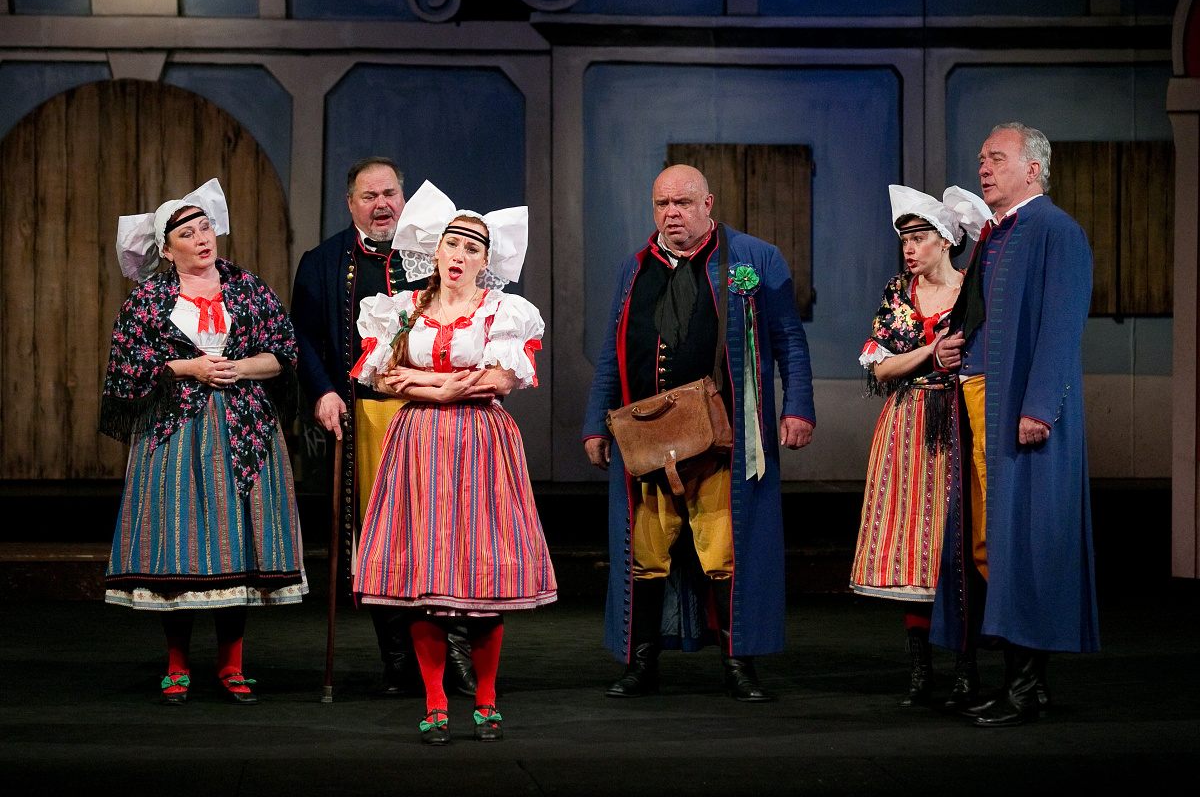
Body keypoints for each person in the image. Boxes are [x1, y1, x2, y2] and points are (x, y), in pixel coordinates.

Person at [581, 164, 815, 702]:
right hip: (645, 442)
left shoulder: (753, 259)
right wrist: (596, 424)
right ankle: (641, 664)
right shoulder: (635, 267)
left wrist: (798, 408)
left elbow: (788, 340)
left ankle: (738, 664)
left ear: (708, 205)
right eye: (662, 204)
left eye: (683, 203)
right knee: (644, 554)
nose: (672, 214)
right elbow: (611, 353)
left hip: (721, 442)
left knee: (724, 552)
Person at [351, 181, 555, 744]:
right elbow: (383, 377)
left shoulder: (503, 311)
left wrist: (426, 384)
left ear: (487, 261)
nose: (460, 256)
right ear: (434, 251)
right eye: (452, 244)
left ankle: (486, 699)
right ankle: (436, 701)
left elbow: (501, 379)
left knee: (482, 571)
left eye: (472, 248)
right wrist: (440, 388)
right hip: (417, 444)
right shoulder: (401, 309)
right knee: (426, 576)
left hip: (479, 443)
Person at [101, 179, 305, 705]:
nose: (202, 238)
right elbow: (127, 368)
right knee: (180, 544)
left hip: (244, 426)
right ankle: (177, 665)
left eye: (205, 227)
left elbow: (282, 353)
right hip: (175, 430)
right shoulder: (149, 300)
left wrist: (238, 368)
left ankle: (232, 664)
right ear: (168, 251)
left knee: (237, 543)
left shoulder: (248, 288)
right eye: (188, 234)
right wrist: (188, 367)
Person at [931, 122, 1100, 727]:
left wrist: (1039, 407)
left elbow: (1061, 326)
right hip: (982, 400)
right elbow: (980, 313)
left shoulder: (1056, 230)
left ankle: (1026, 688)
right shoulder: (994, 234)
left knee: (1023, 540)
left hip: (1019, 411)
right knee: (990, 541)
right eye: (981, 158)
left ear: (1033, 169)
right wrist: (955, 346)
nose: (983, 168)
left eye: (997, 158)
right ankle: (1017, 682)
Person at [291, 157, 476, 697]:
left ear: (404, 197)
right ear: (350, 203)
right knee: (381, 538)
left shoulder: (435, 252)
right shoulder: (322, 262)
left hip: (433, 413)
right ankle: (398, 660)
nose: (381, 205)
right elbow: (302, 339)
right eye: (369, 196)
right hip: (366, 416)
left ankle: (455, 654)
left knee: (442, 531)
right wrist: (323, 391)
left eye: (390, 193)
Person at [850, 184, 988, 707]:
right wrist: (931, 351)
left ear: (946, 241)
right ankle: (920, 669)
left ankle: (966, 667)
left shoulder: (972, 291)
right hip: (907, 423)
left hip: (960, 419)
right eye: (905, 240)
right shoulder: (898, 294)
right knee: (914, 545)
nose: (910, 249)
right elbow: (881, 368)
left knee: (957, 540)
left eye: (920, 238)